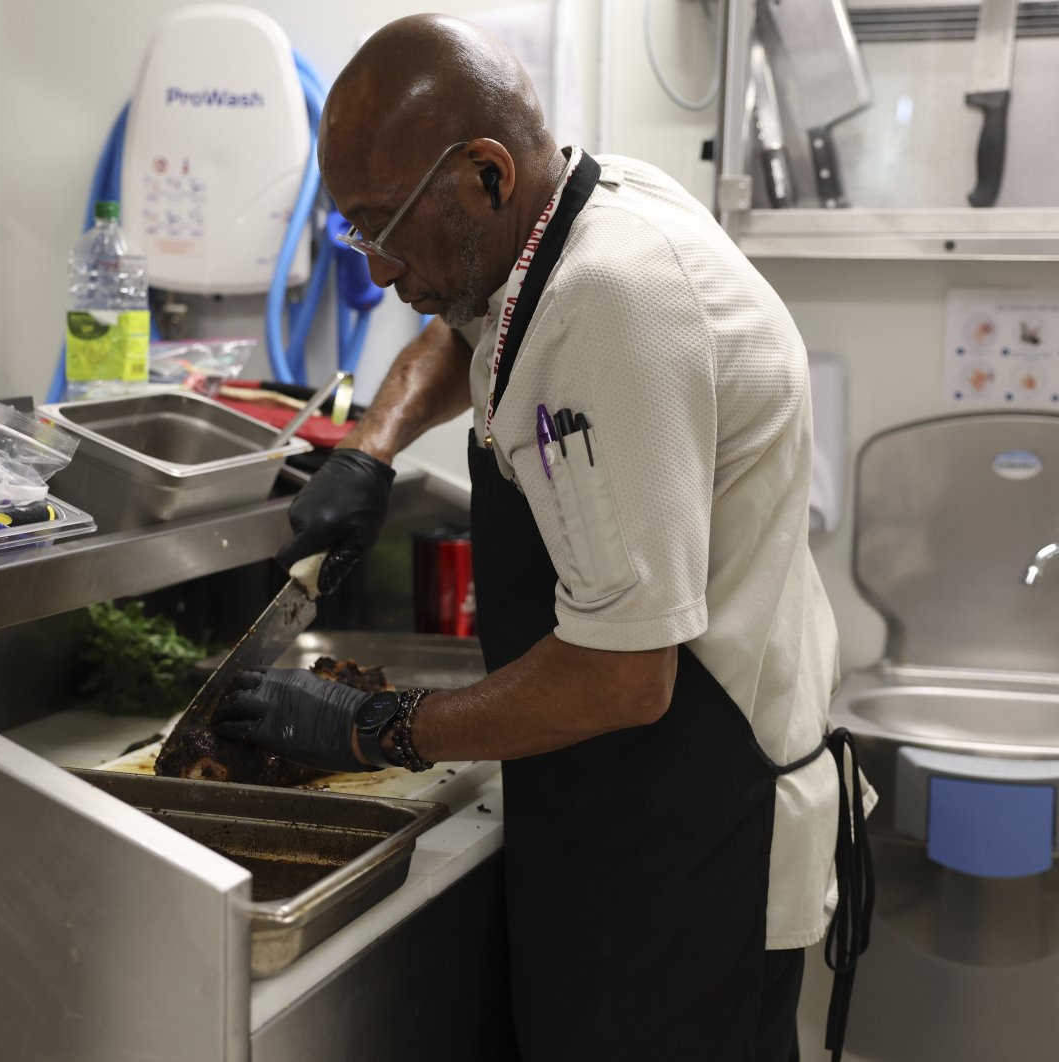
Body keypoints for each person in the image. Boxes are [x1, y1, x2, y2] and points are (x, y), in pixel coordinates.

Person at [213, 14, 873, 1061]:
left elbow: (623, 680)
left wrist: (375, 727)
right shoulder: (561, 217)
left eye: (384, 227)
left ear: (481, 174)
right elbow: (462, 324)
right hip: (613, 802)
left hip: (691, 830)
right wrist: (370, 451)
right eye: (358, 233)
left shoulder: (611, 300)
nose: (379, 270)